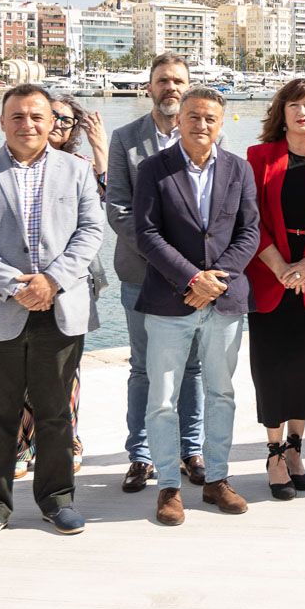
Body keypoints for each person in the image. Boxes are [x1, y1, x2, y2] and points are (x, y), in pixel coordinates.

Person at [0, 84, 105, 548]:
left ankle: (58, 499)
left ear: (51, 122)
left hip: (59, 308)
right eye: (17, 116)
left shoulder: (76, 171)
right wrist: (16, 285)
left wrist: (51, 281)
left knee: (56, 413)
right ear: (2, 121)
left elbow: (91, 231)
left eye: (37, 116)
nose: (28, 124)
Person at [132, 86, 259, 520]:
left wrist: (215, 281)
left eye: (209, 118)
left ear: (221, 123)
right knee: (163, 398)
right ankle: (168, 485)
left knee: (221, 392)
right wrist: (192, 278)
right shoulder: (154, 169)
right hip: (170, 301)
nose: (201, 125)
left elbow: (249, 232)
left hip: (224, 302)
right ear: (178, 120)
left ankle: (217, 480)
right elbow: (146, 233)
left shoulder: (239, 170)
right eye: (193, 117)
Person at [106, 54, 206, 493]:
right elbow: (119, 209)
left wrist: (186, 267)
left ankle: (191, 449)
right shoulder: (125, 139)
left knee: (193, 366)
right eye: (163, 81)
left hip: (195, 278)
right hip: (140, 274)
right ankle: (141, 456)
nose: (171, 87)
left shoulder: (203, 137)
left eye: (178, 81)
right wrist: (165, 258)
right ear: (148, 87)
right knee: (144, 369)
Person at [244, 79, 305, 500]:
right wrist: (284, 268)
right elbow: (249, 220)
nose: (303, 112)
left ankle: (296, 448)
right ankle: (272, 453)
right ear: (281, 112)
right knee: (270, 370)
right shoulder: (259, 157)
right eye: (295, 105)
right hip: (270, 276)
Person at [7, 94, 106, 480]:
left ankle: (69, 439)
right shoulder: (10, 164)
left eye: (67, 122)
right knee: (21, 370)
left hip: (72, 283)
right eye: (56, 118)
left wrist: (100, 146)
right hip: (20, 285)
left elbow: (105, 208)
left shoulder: (80, 166)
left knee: (67, 370)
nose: (60, 127)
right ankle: (22, 440)